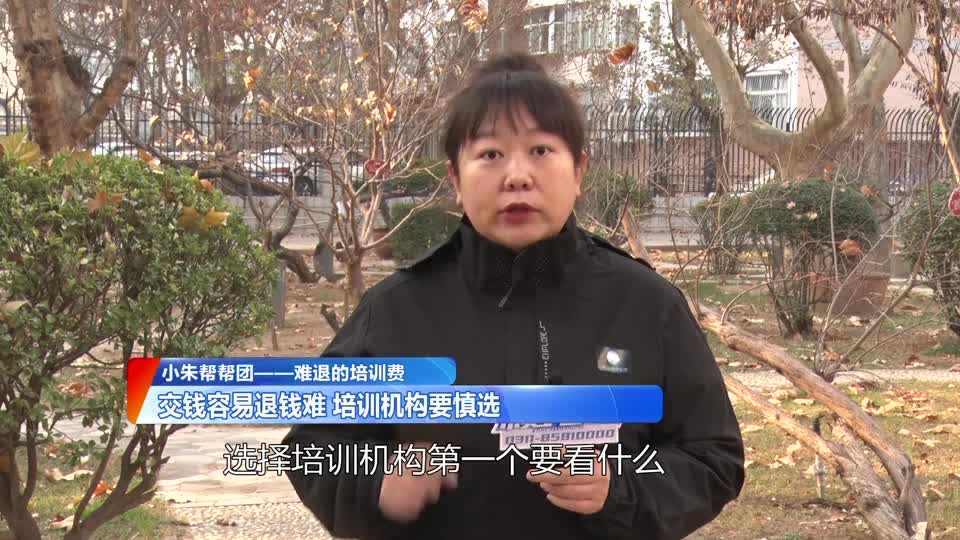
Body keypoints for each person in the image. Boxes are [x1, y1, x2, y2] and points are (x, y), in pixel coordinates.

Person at [283, 52, 745, 540]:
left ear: (578, 170)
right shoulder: (396, 311)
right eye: (490, 154)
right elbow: (313, 448)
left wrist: (620, 491)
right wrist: (377, 484)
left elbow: (712, 457)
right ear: (455, 179)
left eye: (541, 150)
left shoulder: (645, 304)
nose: (517, 176)